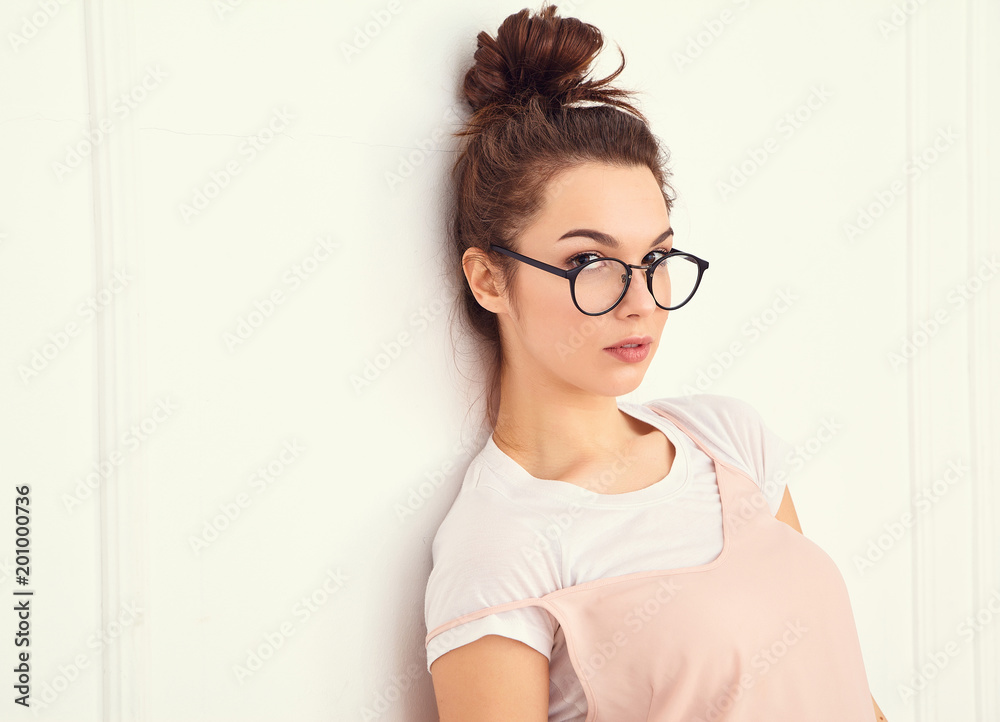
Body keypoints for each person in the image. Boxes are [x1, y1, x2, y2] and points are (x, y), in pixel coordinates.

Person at [424, 4, 888, 720]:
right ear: (490, 279)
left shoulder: (729, 441)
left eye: (656, 258)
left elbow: (837, 688)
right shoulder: (501, 547)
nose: (640, 300)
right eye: (589, 261)